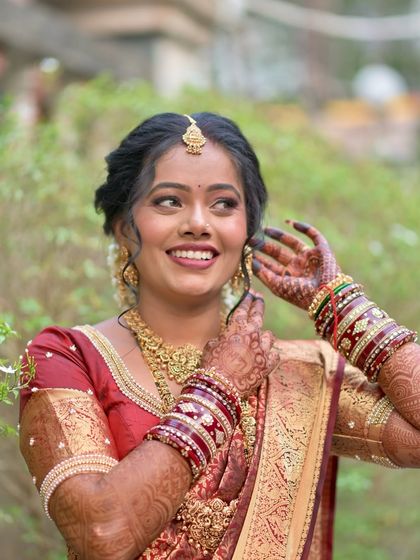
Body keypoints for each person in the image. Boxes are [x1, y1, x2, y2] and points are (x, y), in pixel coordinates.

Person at [19, 112, 420, 560]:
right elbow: (101, 534)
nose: (198, 222)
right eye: (168, 201)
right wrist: (219, 389)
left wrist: (341, 306)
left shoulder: (292, 373)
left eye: (224, 204)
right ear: (122, 226)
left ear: (247, 232)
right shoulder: (67, 358)